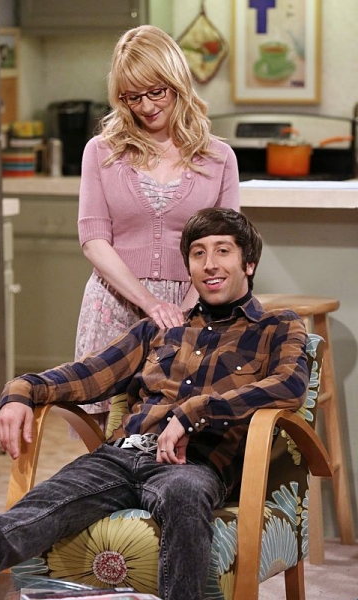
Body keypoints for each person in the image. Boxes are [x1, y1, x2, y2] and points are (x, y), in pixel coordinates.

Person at [0, 208, 308, 600]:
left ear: (249, 263)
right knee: (51, 498)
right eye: (198, 253)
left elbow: (289, 385)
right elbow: (88, 374)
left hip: (193, 465)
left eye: (222, 251)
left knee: (185, 497)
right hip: (121, 456)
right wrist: (21, 389)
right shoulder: (160, 329)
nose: (209, 264)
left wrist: (195, 413)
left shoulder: (277, 327)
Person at [75, 24, 240, 425]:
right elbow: (93, 239)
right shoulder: (101, 152)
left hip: (190, 307)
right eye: (132, 97)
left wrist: (187, 309)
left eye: (156, 92)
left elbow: (226, 245)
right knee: (103, 431)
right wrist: (149, 303)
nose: (146, 106)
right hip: (114, 304)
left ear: (177, 83)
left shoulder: (218, 158)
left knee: (177, 428)